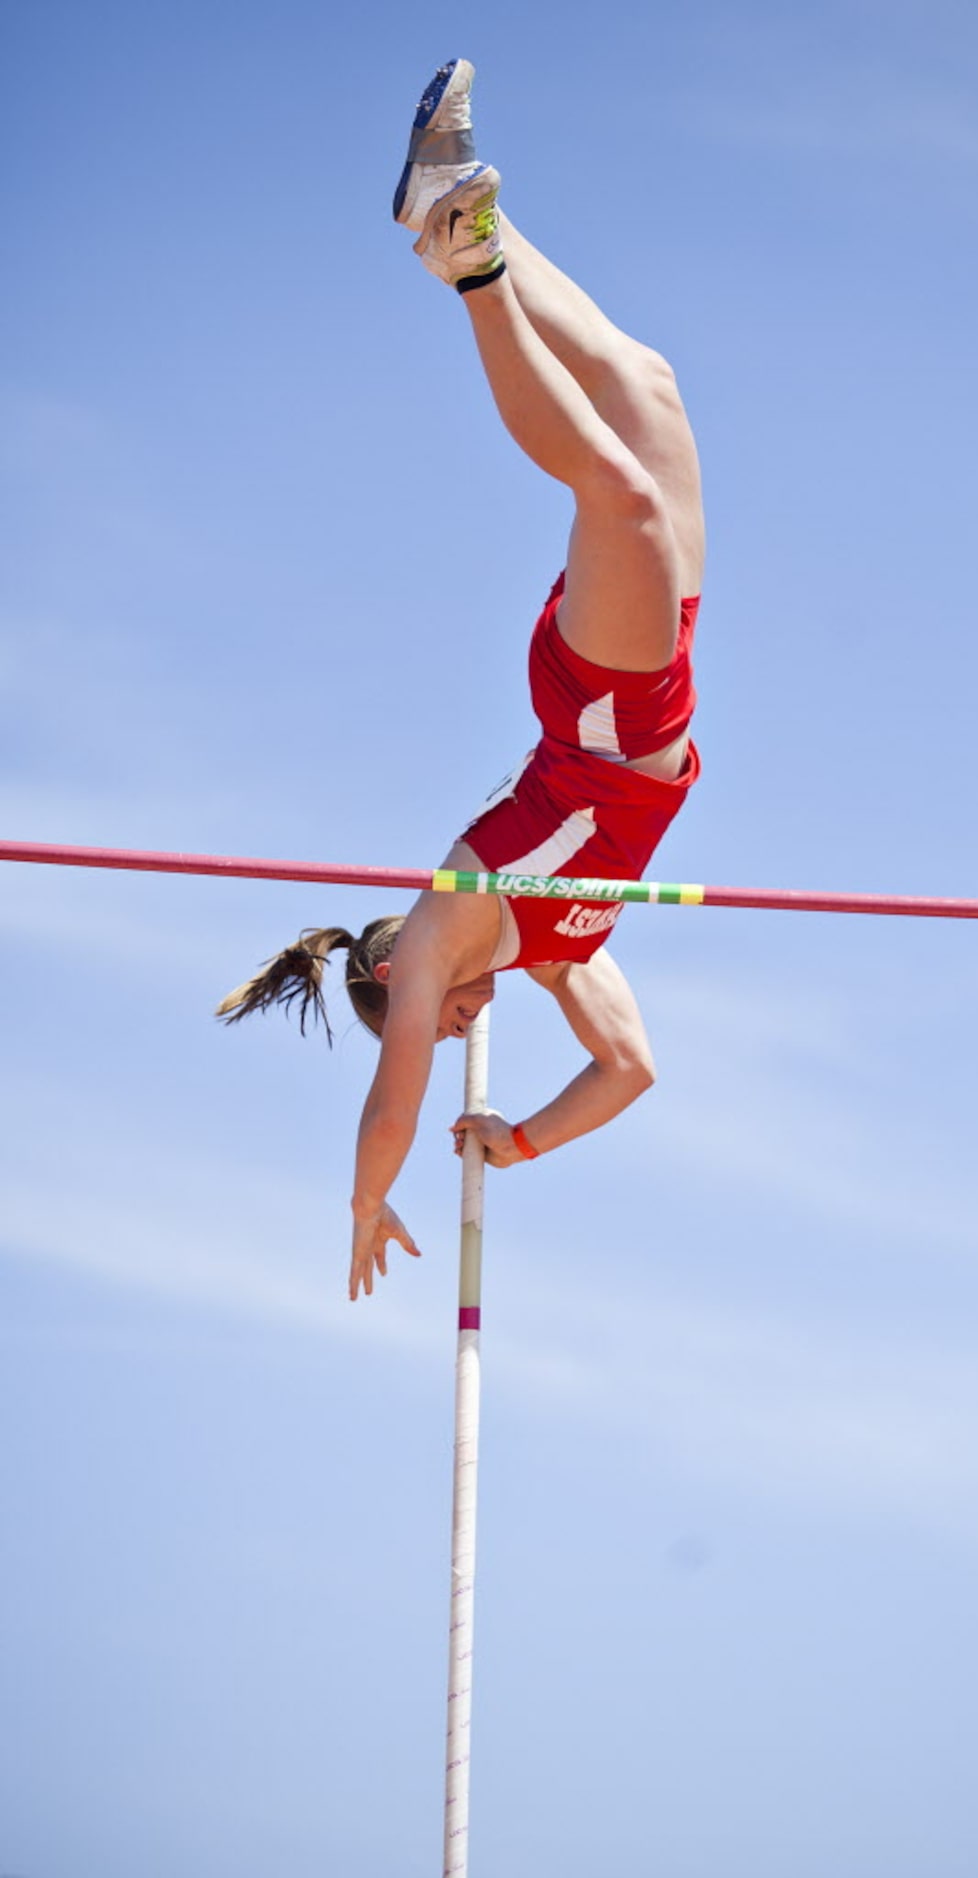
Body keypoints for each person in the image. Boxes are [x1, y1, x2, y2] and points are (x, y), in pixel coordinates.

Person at [217, 58, 705, 1301]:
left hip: (602, 712)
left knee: (619, 491)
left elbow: (391, 1106)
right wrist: (522, 1138)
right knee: (644, 386)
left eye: (439, 1032)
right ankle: (454, 204)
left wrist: (368, 1198)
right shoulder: (556, 960)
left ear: (393, 979)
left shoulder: (440, 929)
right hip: (648, 688)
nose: (458, 1035)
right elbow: (631, 1071)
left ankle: (469, 262)